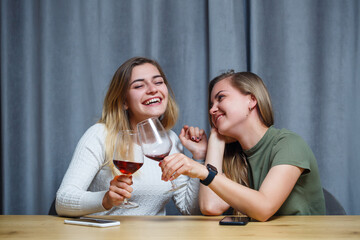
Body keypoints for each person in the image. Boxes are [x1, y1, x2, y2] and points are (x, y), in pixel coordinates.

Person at [160, 71, 326, 221]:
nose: (212, 110)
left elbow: (264, 208)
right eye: (211, 105)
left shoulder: (289, 144)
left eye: (221, 98)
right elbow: (210, 206)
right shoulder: (234, 156)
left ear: (252, 100)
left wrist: (203, 172)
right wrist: (215, 140)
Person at [56, 57, 207, 217]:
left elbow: (189, 208)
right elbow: (63, 201)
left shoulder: (171, 139)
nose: (152, 89)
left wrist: (199, 157)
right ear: (123, 101)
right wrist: (106, 199)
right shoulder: (100, 135)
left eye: (158, 82)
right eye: (139, 85)